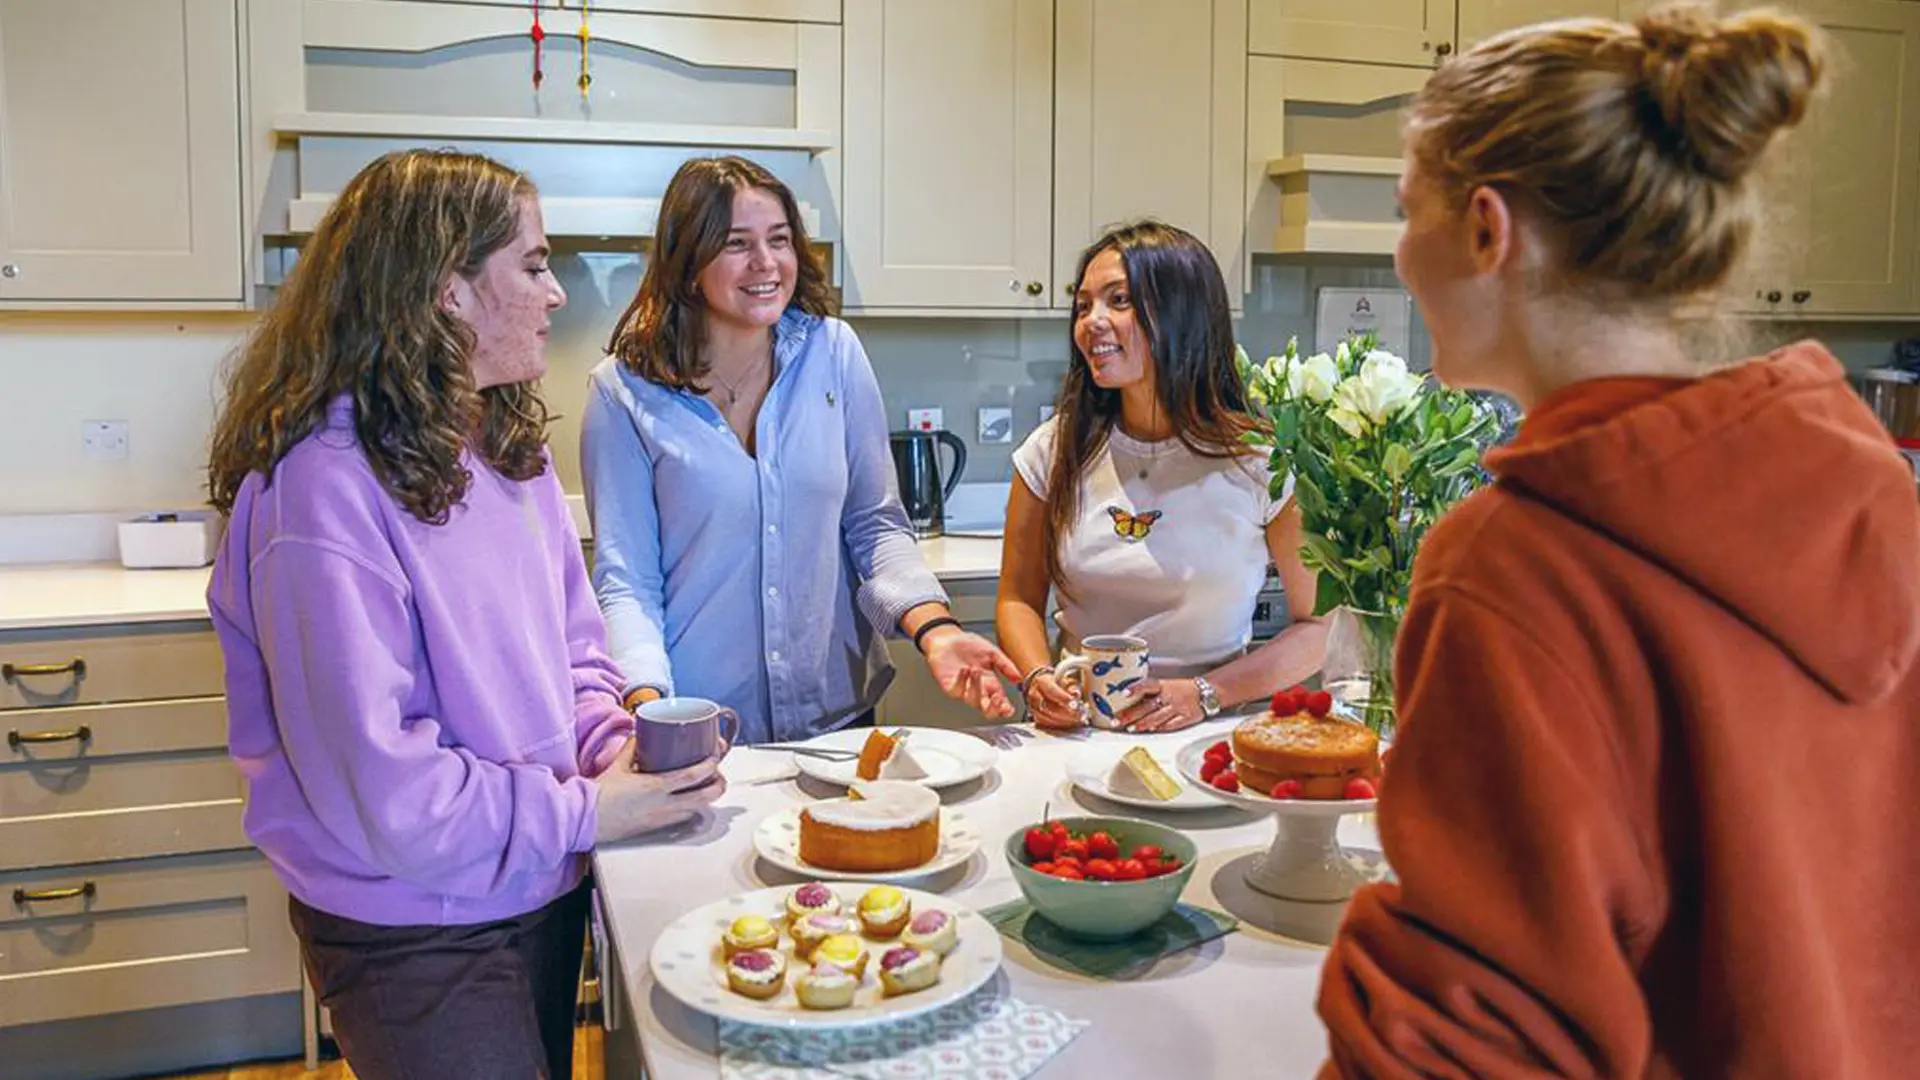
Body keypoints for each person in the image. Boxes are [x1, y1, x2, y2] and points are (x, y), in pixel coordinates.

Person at [1317, 7, 1920, 1077]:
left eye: (1408, 214)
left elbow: (1472, 1033)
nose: (1401, 257)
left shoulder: (1518, 564)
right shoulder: (1871, 487)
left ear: (1488, 230)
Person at [205, 149, 726, 1080]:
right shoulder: (320, 491)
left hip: (533, 880)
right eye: (532, 264)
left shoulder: (502, 448)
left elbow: (573, 652)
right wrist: (583, 812)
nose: (556, 293)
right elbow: (390, 793)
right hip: (412, 925)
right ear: (447, 289)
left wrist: (613, 745)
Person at [581, 156, 1021, 745]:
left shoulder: (833, 353)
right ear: (688, 263)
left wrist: (936, 630)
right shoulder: (623, 392)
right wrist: (646, 706)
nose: (766, 263)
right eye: (737, 243)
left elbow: (876, 524)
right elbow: (628, 580)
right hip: (700, 724)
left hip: (839, 716)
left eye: (780, 240)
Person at [997, 221, 1327, 732]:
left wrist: (1205, 694)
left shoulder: (1262, 461)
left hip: (1208, 735)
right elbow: (1017, 598)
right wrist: (1038, 675)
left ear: (1184, 314)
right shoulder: (1054, 450)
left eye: (1119, 300)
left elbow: (1317, 627)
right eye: (1083, 306)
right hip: (1078, 732)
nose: (1091, 322)